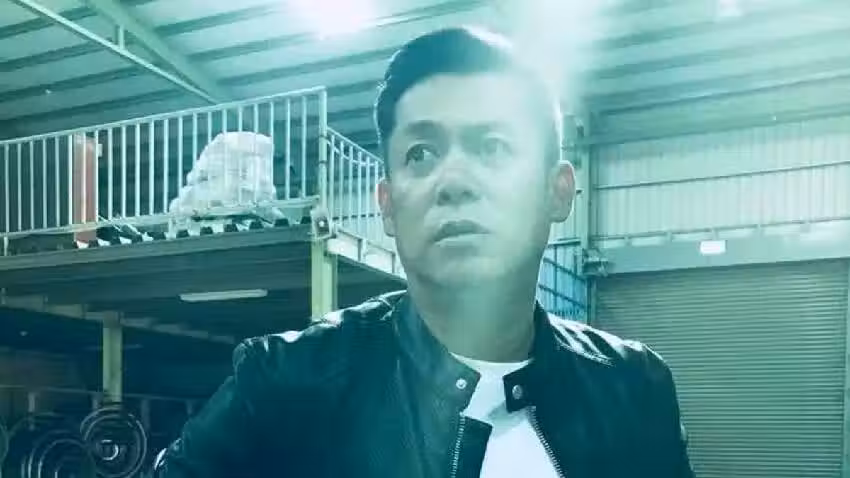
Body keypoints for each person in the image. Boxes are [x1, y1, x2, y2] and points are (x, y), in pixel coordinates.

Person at [154, 26, 694, 478]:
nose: (453, 179)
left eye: (493, 147)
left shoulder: (633, 390)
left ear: (558, 192)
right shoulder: (284, 386)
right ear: (388, 205)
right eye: (420, 153)